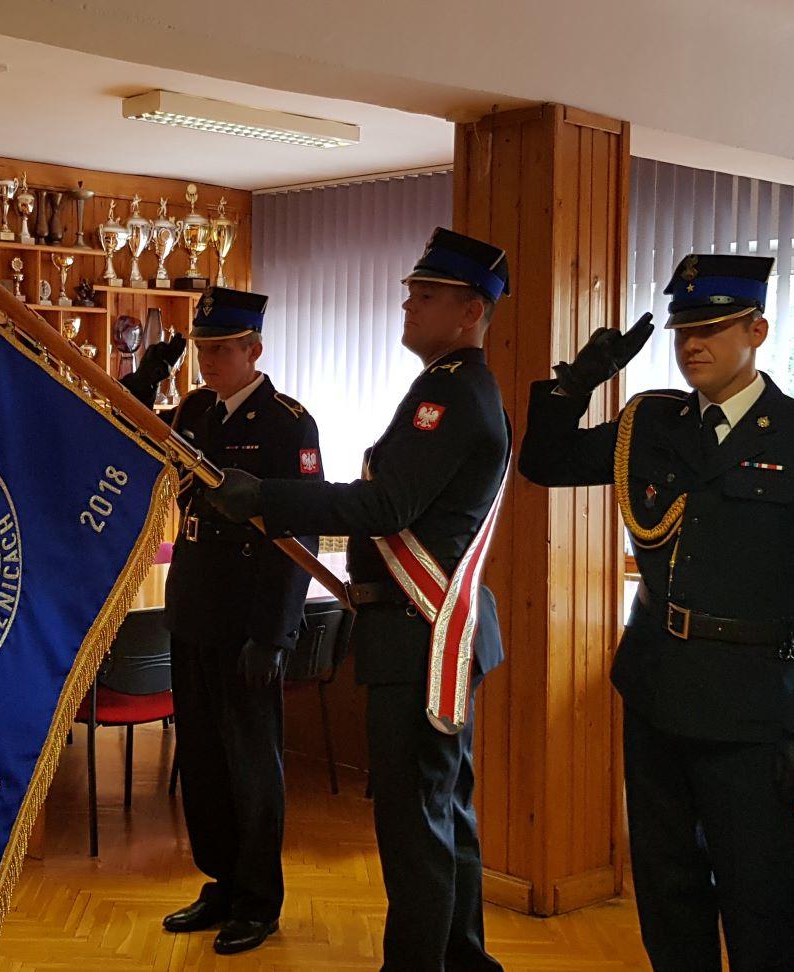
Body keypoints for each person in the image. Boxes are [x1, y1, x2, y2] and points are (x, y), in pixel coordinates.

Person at [517, 253, 794, 970]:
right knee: (667, 889)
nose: (691, 345)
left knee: (760, 897)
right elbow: (544, 464)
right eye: (683, 331)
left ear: (757, 331)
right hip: (657, 691)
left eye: (711, 329)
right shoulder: (651, 424)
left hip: (754, 710)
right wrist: (574, 385)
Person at [205, 229, 510, 972]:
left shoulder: (450, 392)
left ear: (471, 311)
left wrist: (266, 496)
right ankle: (463, 959)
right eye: (411, 293)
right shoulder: (453, 385)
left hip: (420, 634)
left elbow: (386, 505)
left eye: (426, 296)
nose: (408, 304)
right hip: (423, 629)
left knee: (415, 826)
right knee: (443, 813)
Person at [117, 287, 319, 955]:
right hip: (195, 609)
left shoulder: (287, 425)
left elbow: (298, 533)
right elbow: (127, 427)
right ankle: (223, 882)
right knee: (203, 760)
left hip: (247, 621)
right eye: (202, 350)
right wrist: (147, 375)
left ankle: (258, 899)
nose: (209, 362)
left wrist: (274, 633)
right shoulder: (198, 410)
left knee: (250, 765)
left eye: (222, 350)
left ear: (254, 350)